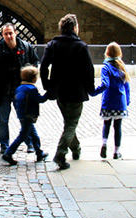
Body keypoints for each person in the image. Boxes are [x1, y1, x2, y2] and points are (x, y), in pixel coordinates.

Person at [39, 13, 95, 170]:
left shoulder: (53, 45)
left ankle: (76, 149)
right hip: (76, 91)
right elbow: (88, 70)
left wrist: (48, 86)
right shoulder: (81, 46)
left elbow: (43, 67)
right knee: (71, 124)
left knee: (69, 123)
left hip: (60, 91)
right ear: (75, 28)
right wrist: (90, 88)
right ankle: (60, 154)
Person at [0, 23, 39, 154]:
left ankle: (30, 143)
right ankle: (4, 145)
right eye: (5, 34)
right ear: (2, 35)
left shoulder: (26, 47)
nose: (8, 36)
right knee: (3, 120)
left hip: (21, 91)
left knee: (25, 119)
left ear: (16, 33)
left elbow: (35, 62)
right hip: (3, 91)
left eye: (10, 33)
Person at [89, 42, 131, 160]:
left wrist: (94, 92)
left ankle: (104, 144)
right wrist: (127, 101)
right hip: (120, 102)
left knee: (106, 124)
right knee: (118, 127)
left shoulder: (106, 67)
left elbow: (105, 84)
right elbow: (127, 86)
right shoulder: (122, 66)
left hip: (108, 101)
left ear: (107, 53)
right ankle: (116, 152)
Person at [2, 66, 49, 165]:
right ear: (33, 78)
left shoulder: (19, 88)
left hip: (22, 114)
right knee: (23, 135)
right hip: (29, 115)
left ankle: (39, 153)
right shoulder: (31, 89)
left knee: (34, 135)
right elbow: (40, 99)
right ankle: (8, 153)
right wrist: (49, 93)